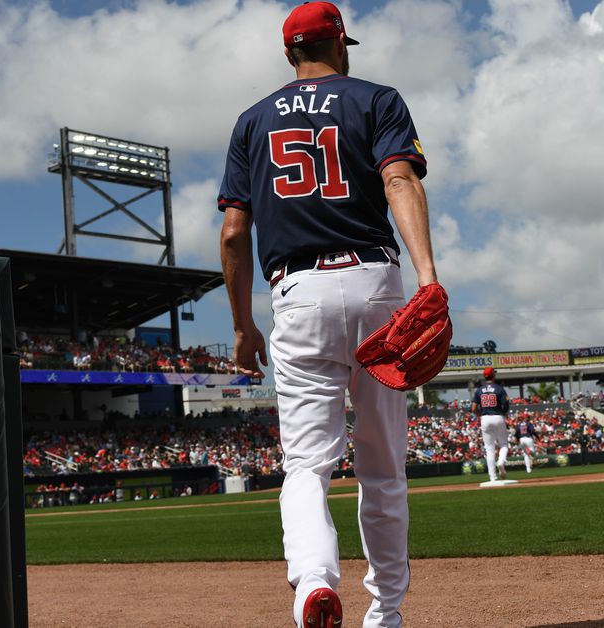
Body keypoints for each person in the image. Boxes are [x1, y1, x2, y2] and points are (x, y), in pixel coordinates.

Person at [217, 2, 437, 625]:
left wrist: (241, 325)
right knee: (382, 468)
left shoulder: (251, 121)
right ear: (340, 44)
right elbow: (400, 181)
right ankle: (386, 615)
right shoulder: (376, 99)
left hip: (298, 292)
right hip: (373, 282)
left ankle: (313, 583)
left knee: (307, 467)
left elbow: (235, 234)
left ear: (289, 52)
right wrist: (428, 278)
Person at [473, 368, 510, 481]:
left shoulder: (479, 390)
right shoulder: (499, 389)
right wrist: (504, 413)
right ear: (493, 375)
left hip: (485, 418)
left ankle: (492, 477)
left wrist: (480, 415)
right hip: (498, 416)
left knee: (489, 449)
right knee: (503, 444)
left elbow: (473, 408)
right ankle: (501, 461)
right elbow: (506, 404)